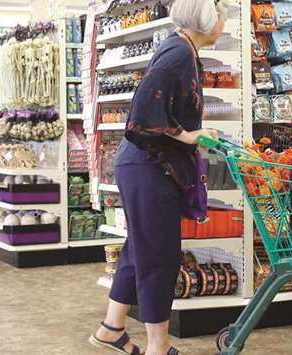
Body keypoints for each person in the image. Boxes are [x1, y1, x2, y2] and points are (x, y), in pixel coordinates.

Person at [89, 0, 228, 354]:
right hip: (150, 167)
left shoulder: (180, 47)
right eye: (223, 15)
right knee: (160, 258)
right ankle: (158, 346)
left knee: (140, 249)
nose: (224, 22)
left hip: (144, 165)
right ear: (207, 18)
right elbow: (143, 113)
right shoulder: (179, 54)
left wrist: (192, 133)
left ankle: (111, 328)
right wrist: (188, 136)